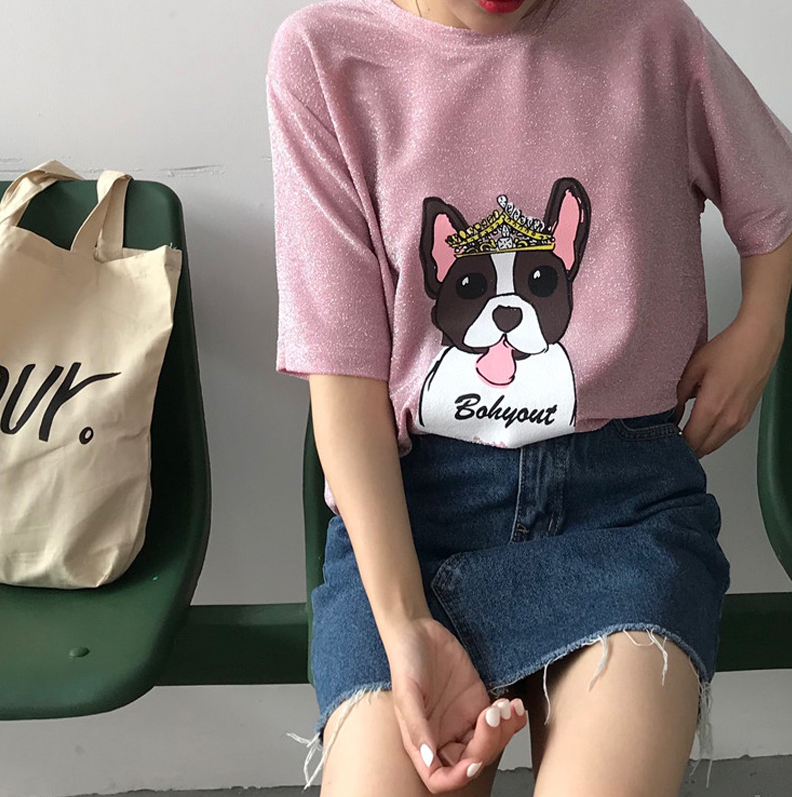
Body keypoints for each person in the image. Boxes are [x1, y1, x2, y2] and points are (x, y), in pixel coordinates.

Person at [266, 0, 792, 793]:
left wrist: (760, 328)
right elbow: (341, 379)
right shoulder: (324, 57)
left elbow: (775, 191)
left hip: (623, 510)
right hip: (413, 522)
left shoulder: (654, 32)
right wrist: (405, 623)